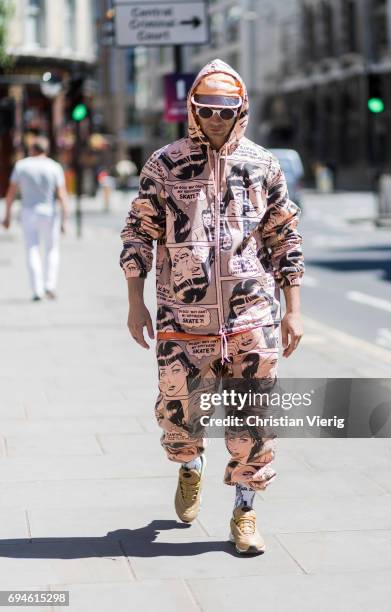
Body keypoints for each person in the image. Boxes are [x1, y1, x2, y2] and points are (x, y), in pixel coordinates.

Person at [119, 59, 305, 555]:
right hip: (182, 319)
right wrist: (136, 304)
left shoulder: (263, 165)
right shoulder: (164, 164)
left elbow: (284, 237)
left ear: (241, 110)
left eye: (226, 111)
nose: (216, 120)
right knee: (178, 419)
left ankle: (245, 510)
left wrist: (293, 308)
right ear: (193, 111)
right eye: (206, 111)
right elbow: (139, 233)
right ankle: (189, 464)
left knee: (253, 418)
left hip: (251, 317)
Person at [2, 136, 69, 301]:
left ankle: (36, 290)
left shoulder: (21, 165)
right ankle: (50, 285)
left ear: (32, 150)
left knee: (32, 249)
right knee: (52, 249)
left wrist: (7, 216)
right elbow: (62, 195)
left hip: (28, 212)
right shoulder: (54, 167)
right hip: (49, 212)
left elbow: (10, 193)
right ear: (46, 150)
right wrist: (64, 220)